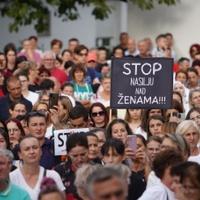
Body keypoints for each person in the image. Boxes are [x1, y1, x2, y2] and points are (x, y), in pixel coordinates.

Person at [10, 135, 65, 200]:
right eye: (27, 149)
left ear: (41, 151)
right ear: (20, 155)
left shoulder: (53, 175)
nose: (32, 152)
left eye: (35, 147)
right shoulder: (11, 178)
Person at [54, 133, 89, 199]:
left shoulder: (97, 171)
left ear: (88, 150)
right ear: (68, 154)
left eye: (83, 154)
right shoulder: (58, 172)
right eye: (75, 156)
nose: (79, 159)